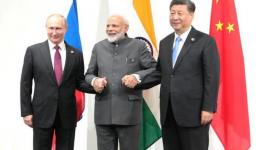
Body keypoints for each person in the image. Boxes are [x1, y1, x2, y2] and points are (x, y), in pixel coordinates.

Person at [138, 0, 220, 150]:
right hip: (168, 113)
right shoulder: (165, 42)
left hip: (194, 113)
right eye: (172, 13)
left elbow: (212, 77)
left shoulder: (205, 41)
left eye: (179, 13)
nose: (175, 17)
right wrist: (137, 79)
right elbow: (160, 73)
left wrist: (208, 108)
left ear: (191, 15)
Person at [20, 13, 93, 150]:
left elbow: (79, 82)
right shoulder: (33, 51)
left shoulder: (76, 54)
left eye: (58, 28)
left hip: (67, 115)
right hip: (41, 113)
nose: (54, 32)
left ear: (66, 29)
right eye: (51, 28)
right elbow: (25, 84)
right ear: (46, 28)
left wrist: (96, 86)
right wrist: (26, 111)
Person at [85, 15, 156, 150]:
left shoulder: (139, 46)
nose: (110, 29)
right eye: (108, 26)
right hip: (103, 113)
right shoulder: (98, 47)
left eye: (115, 26)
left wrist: (136, 77)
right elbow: (88, 74)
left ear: (125, 28)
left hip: (129, 113)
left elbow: (154, 69)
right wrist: (95, 80)